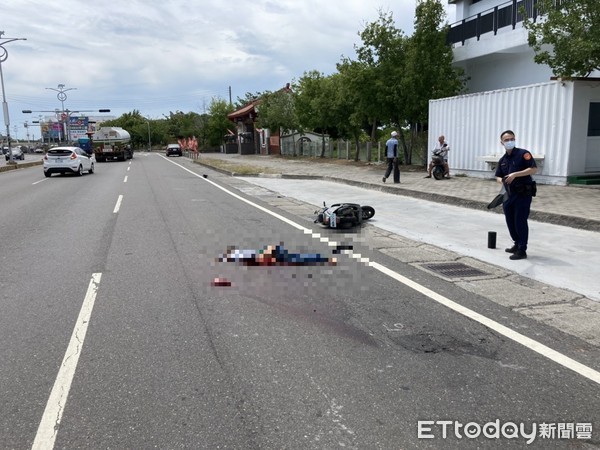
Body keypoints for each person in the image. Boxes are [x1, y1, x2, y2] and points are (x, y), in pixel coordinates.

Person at [494, 130, 538, 260]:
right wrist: (502, 180)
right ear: (501, 142)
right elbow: (497, 176)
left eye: (511, 139)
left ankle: (522, 249)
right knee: (510, 220)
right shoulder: (503, 160)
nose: (509, 142)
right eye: (506, 140)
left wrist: (515, 174)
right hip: (508, 194)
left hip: (522, 194)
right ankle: (516, 243)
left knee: (520, 221)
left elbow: (533, 169)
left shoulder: (523, 154)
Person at [218, 243, 337, 266]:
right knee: (301, 258)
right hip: (271, 252)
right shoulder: (238, 255)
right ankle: (326, 259)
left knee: (301, 258)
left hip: (272, 253)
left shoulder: (238, 255)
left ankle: (326, 259)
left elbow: (259, 257)